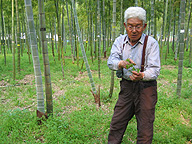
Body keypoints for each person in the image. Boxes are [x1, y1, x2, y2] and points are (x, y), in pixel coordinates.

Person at [107, 7, 161, 144]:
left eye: (138, 26)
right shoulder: (119, 41)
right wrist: (121, 63)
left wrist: (142, 75)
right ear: (125, 26)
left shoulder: (151, 43)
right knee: (117, 122)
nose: (134, 30)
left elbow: (155, 70)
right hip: (126, 88)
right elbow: (111, 61)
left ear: (144, 26)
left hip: (146, 88)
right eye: (130, 26)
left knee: (145, 126)